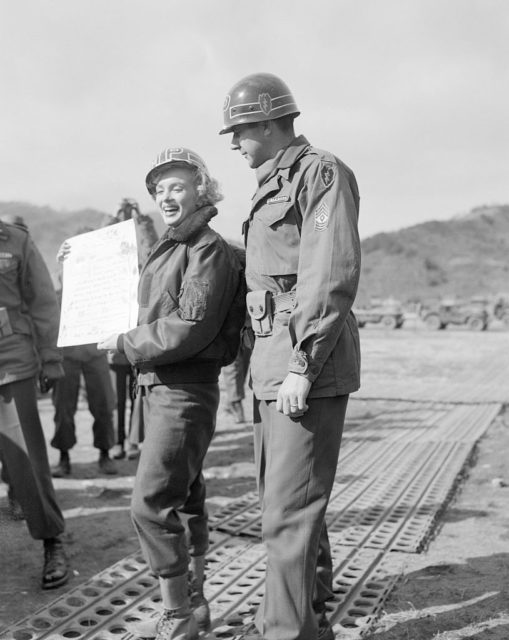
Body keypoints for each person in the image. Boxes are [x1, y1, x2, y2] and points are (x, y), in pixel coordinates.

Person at [219, 73, 361, 640]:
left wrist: (304, 363)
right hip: (270, 359)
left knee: (286, 511)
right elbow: (262, 273)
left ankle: (286, 631)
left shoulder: (321, 173)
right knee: (290, 499)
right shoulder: (270, 181)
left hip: (306, 359)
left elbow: (329, 273)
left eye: (241, 130)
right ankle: (311, 611)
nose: (234, 143)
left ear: (272, 122)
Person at [98, 147, 245, 640]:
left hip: (183, 389)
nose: (165, 197)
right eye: (159, 190)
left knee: (150, 502)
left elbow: (192, 325)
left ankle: (176, 615)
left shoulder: (206, 248)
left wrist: (125, 342)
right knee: (184, 498)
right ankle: (195, 604)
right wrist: (81, 264)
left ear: (203, 189)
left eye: (176, 186)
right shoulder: (171, 247)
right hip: (159, 385)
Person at [0, 216, 69, 590]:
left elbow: (42, 300)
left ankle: (51, 541)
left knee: (27, 461)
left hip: (11, 363)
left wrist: (51, 356)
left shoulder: (15, 240)